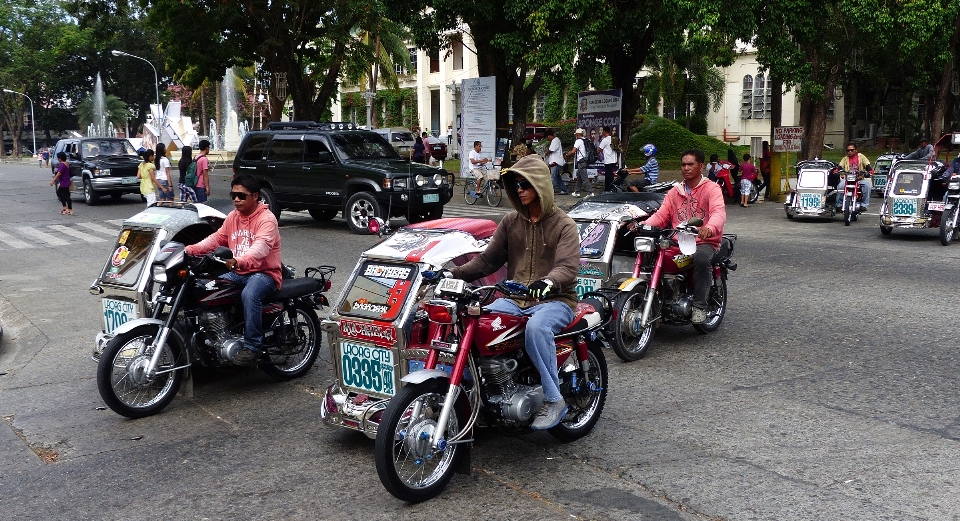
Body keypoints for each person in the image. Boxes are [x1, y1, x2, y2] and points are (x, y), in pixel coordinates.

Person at [446, 154, 580, 430]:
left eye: (525, 184)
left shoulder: (564, 225)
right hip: (515, 299)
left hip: (556, 300)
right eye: (515, 184)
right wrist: (451, 274)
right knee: (478, 322)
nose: (519, 189)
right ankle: (481, 393)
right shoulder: (510, 221)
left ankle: (554, 399)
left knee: (536, 329)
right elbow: (487, 261)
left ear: (541, 185)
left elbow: (568, 266)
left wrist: (549, 281)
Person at [185, 174, 282, 365]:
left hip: (263, 273)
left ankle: (252, 346)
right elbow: (216, 239)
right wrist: (189, 249)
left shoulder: (267, 219)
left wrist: (239, 260)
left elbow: (261, 247)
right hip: (239, 272)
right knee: (207, 288)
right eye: (233, 195)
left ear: (255, 196)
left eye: (241, 196)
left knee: (250, 294)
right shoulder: (233, 217)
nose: (236, 199)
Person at [643, 149, 726, 324]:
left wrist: (709, 228)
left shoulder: (712, 188)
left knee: (702, 259)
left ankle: (699, 306)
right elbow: (661, 215)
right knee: (652, 254)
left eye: (691, 164)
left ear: (701, 166)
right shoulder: (675, 191)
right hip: (678, 241)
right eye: (683, 164)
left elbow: (718, 212)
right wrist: (643, 226)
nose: (686, 168)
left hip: (704, 240)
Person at [836, 142, 873, 212]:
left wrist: (869, 171)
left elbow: (867, 165)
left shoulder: (861, 157)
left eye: (852, 150)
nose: (850, 152)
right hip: (848, 179)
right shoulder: (845, 159)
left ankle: (864, 205)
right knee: (840, 186)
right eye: (848, 150)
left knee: (867, 186)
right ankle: (839, 205)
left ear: (856, 150)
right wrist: (837, 170)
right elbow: (840, 166)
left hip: (859, 179)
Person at [565, 128, 593, 197]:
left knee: (584, 178)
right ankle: (577, 192)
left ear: (578, 134)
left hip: (581, 161)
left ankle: (590, 193)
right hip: (585, 160)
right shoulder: (586, 140)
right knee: (579, 177)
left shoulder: (578, 141)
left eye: (576, 134)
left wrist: (567, 155)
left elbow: (573, 151)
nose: (575, 136)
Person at [545, 129, 566, 195]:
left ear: (549, 136)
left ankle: (552, 190)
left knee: (553, 177)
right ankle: (564, 190)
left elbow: (551, 150)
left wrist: (546, 153)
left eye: (546, 138)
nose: (547, 139)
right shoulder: (555, 140)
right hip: (555, 161)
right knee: (557, 177)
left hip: (556, 162)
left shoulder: (555, 140)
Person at [598, 126, 618, 191]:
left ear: (604, 131)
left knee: (609, 176)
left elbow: (599, 150)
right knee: (608, 175)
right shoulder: (614, 139)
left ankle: (611, 189)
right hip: (614, 160)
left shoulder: (605, 140)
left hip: (608, 160)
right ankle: (607, 189)